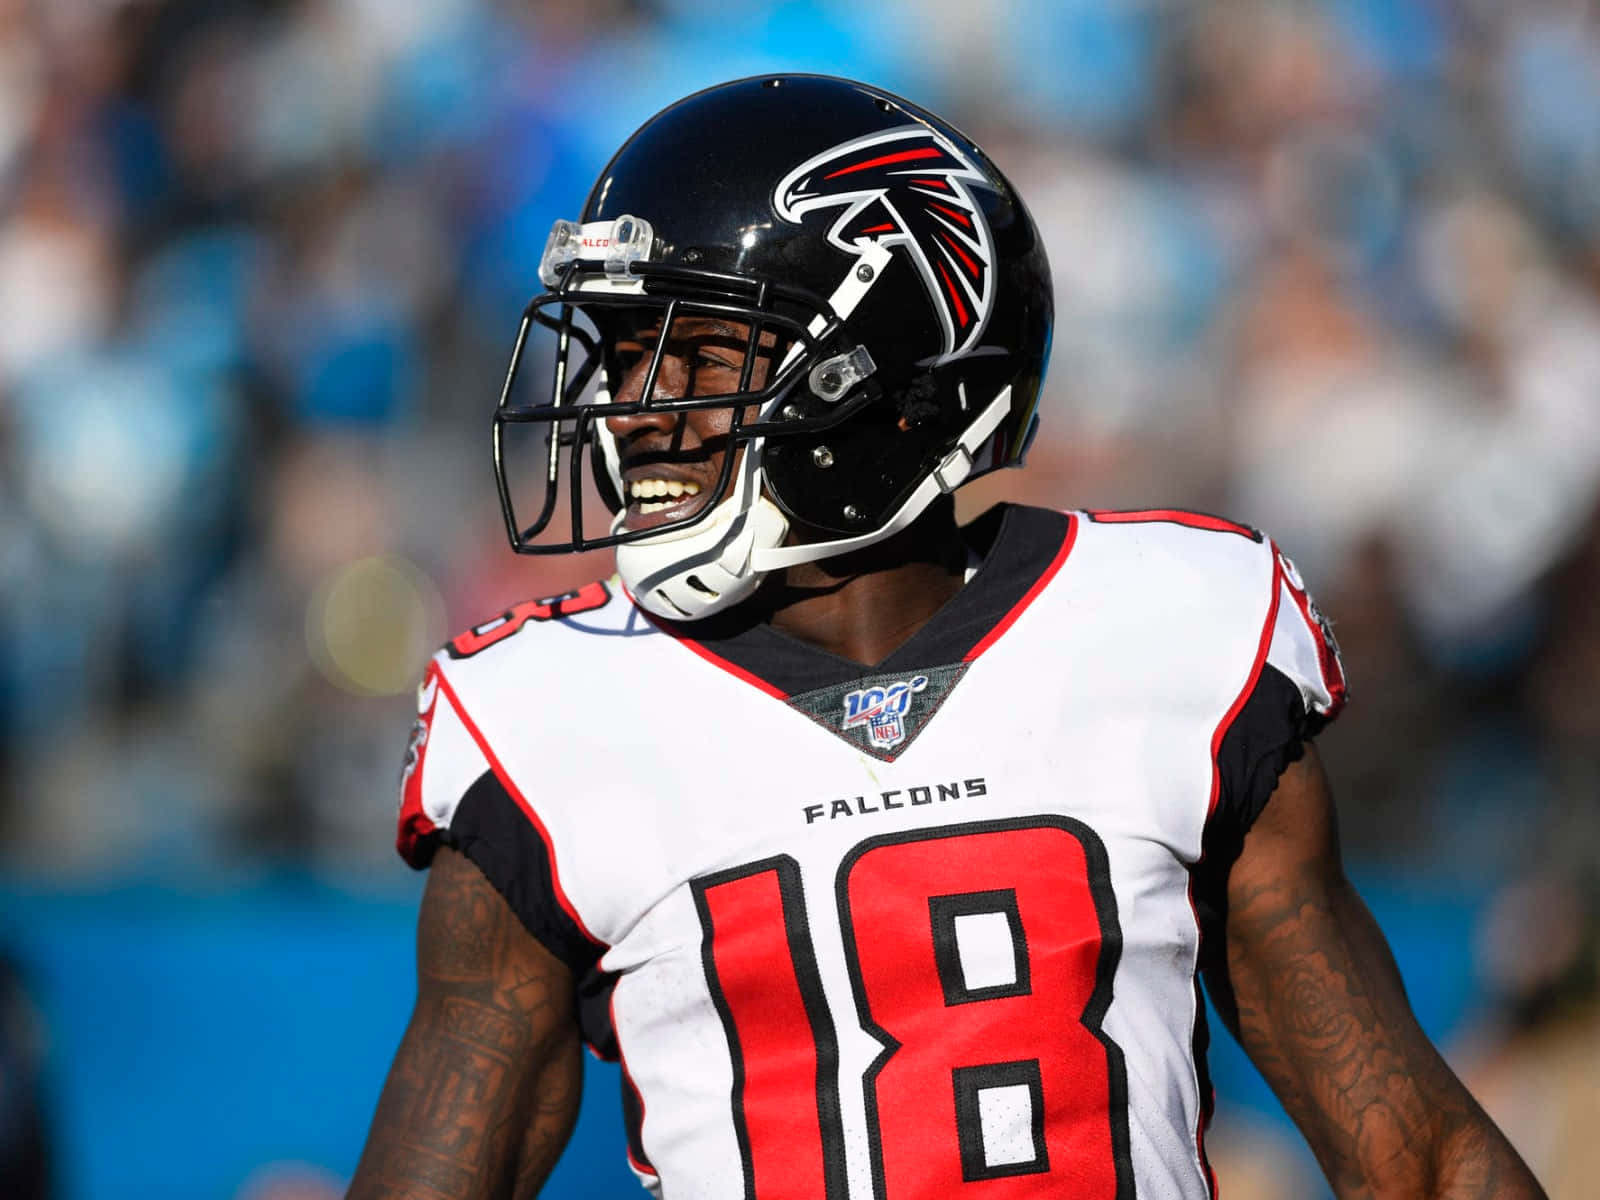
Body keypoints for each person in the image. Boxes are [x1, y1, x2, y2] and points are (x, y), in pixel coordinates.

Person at [348, 75, 1543, 1199]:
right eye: (621, 361)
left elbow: (1417, 1158)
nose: (632, 413)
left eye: (696, 356)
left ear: (884, 367)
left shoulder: (1170, 630)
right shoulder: (550, 712)